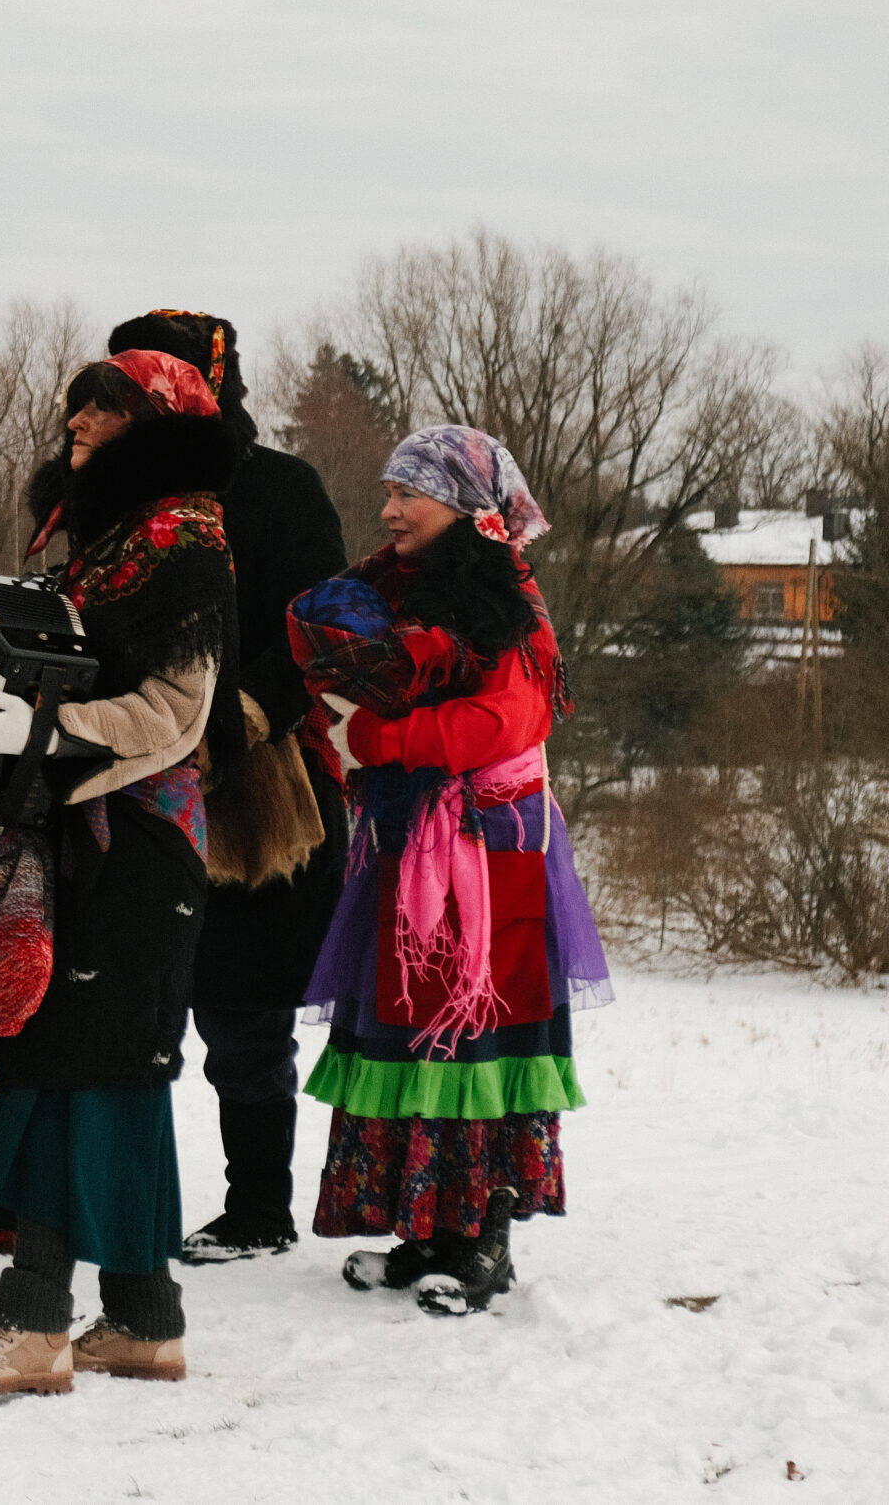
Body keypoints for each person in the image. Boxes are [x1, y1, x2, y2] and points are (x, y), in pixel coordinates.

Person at [0, 350, 240, 1397]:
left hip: (137, 847)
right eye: (79, 407)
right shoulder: (101, 543)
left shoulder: (183, 546)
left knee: (65, 1072)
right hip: (91, 837)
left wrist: (43, 729)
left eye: (110, 409)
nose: (82, 421)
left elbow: (172, 717)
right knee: (117, 1076)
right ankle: (143, 1320)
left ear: (158, 427)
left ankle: (33, 1327)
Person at [291, 425, 611, 1316]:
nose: (389, 509)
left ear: (465, 507)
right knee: (417, 1021)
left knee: (482, 1032)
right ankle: (426, 1228)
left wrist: (375, 739)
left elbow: (499, 722)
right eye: (389, 491)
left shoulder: (506, 597)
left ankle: (485, 1241)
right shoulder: (409, 589)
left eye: (409, 494)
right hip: (418, 841)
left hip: (491, 848)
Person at [104, 311, 349, 1264]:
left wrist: (236, 719)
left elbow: (323, 632)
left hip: (257, 787)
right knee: (128, 1008)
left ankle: (258, 1206)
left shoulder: (282, 490)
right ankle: (114, 1194)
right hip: (123, 775)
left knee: (243, 1013)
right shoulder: (112, 495)